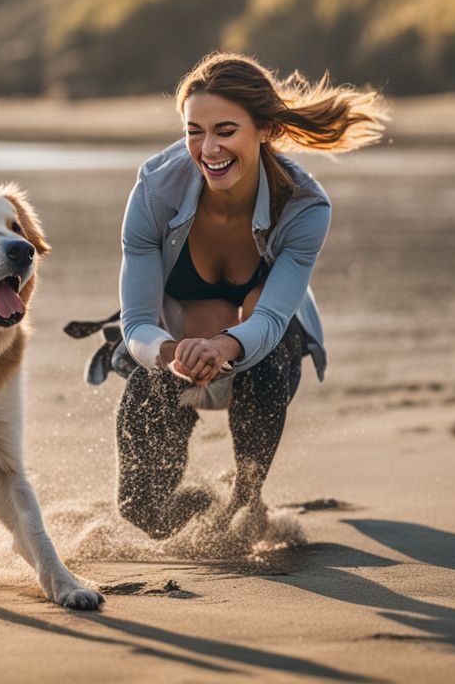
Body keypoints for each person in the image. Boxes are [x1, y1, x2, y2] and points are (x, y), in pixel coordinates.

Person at [116, 51, 386, 538]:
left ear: (265, 130)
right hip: (170, 351)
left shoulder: (305, 207)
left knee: (239, 515)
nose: (208, 149)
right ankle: (202, 504)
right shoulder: (155, 190)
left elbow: (272, 320)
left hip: (265, 352)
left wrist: (223, 346)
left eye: (225, 130)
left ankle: (245, 495)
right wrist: (174, 352)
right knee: (141, 511)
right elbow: (135, 325)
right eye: (193, 131)